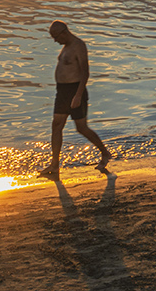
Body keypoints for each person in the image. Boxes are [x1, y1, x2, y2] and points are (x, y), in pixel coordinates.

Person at [43, 20, 111, 179]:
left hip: (75, 91)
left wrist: (78, 96)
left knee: (81, 128)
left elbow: (85, 72)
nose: (55, 41)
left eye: (56, 37)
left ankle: (105, 153)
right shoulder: (66, 47)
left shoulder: (78, 46)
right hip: (62, 92)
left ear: (64, 32)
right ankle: (54, 165)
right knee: (56, 125)